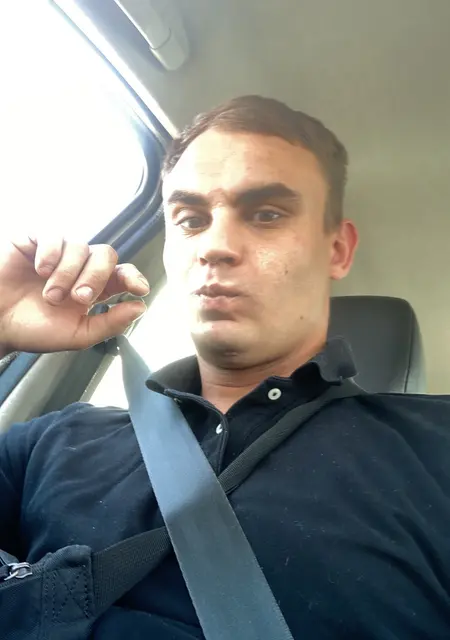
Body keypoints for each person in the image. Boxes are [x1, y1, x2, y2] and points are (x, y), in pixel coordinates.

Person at [0, 95, 449, 639]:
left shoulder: (435, 448)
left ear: (337, 249)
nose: (215, 246)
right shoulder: (51, 441)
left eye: (266, 214)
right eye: (191, 220)